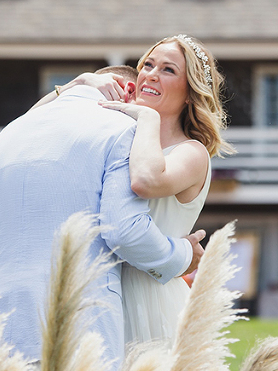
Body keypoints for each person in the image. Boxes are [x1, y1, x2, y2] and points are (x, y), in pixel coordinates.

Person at [0, 65, 206, 370]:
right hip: (81, 325)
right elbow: (124, 231)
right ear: (128, 91)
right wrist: (183, 253)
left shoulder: (7, 135)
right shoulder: (121, 130)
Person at [88, 35, 230, 345]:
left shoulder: (192, 153)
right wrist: (82, 81)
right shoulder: (116, 141)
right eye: (148, 65)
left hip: (150, 300)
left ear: (190, 94)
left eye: (168, 70)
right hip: (99, 294)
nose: (151, 74)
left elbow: (145, 180)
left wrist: (146, 116)